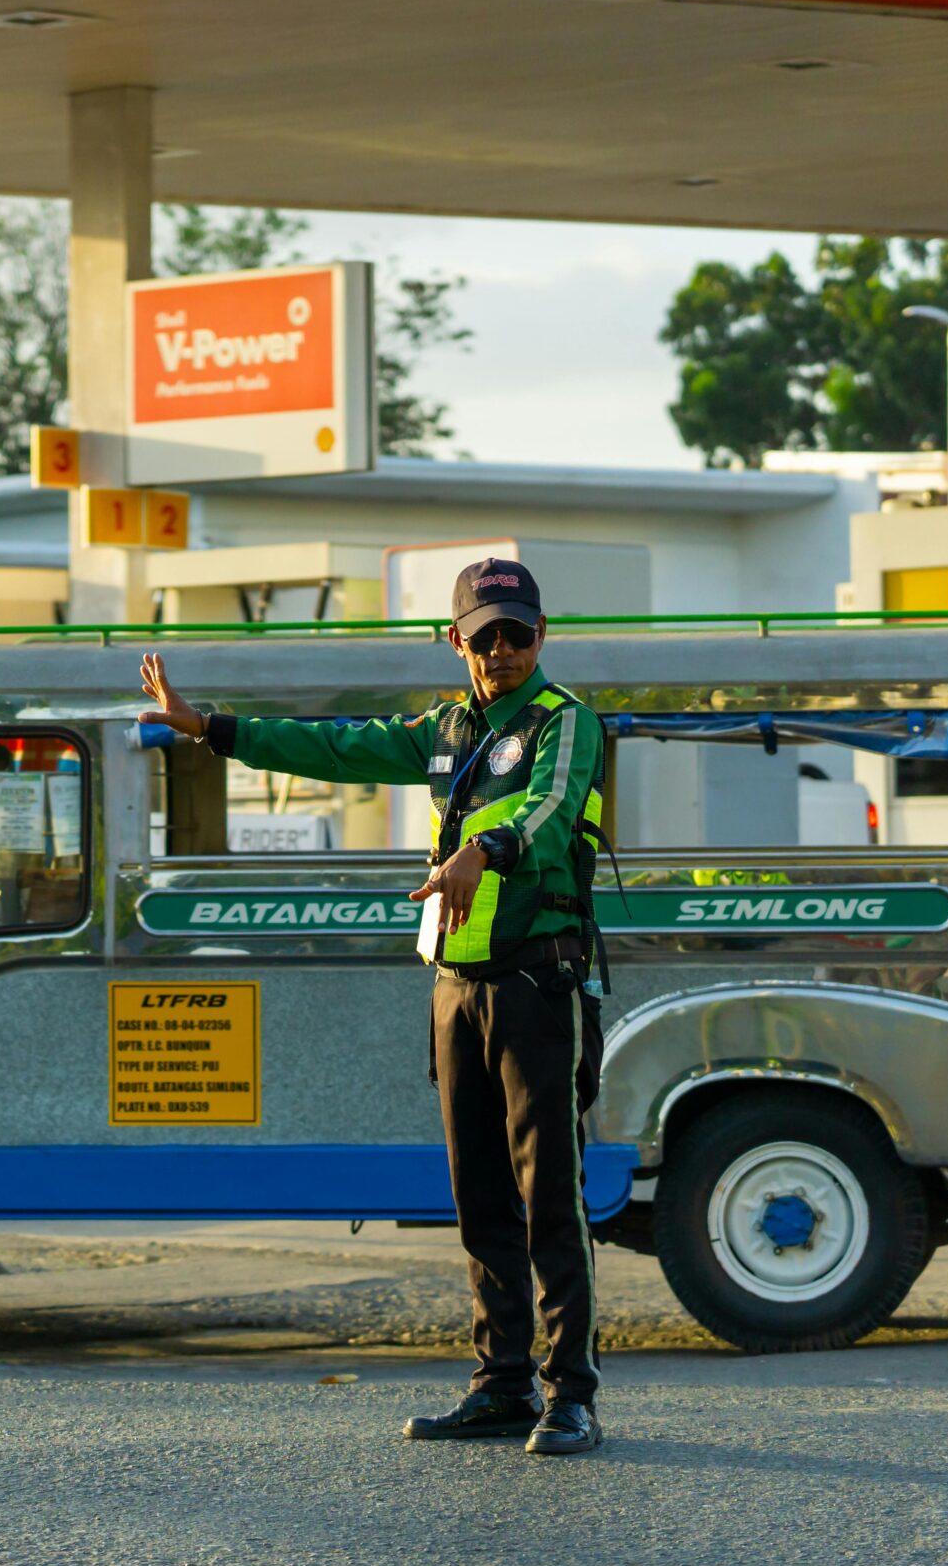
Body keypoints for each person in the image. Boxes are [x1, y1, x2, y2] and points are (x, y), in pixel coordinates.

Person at [140, 558, 608, 1457]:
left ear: (542, 634)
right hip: (456, 988)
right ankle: (503, 1384)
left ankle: (572, 1394)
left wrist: (483, 849)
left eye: (518, 633)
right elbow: (334, 747)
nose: (503, 651)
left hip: (537, 987)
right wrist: (210, 728)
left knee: (551, 1195)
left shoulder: (564, 722)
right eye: (485, 636)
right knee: (479, 1198)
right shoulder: (445, 729)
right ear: (456, 641)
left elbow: (549, 812)